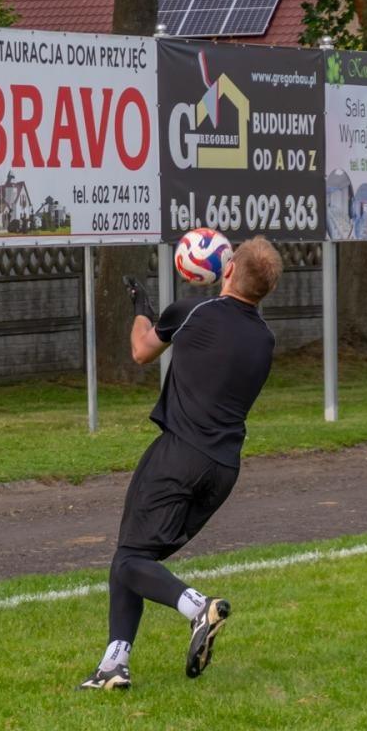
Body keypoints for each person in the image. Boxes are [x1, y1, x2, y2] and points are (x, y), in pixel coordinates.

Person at [79, 237, 284, 691]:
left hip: (180, 455)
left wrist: (144, 309)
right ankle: (114, 664)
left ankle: (197, 607)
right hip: (223, 470)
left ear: (227, 272)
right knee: (137, 557)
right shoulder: (264, 337)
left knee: (131, 557)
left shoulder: (194, 312)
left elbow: (140, 352)